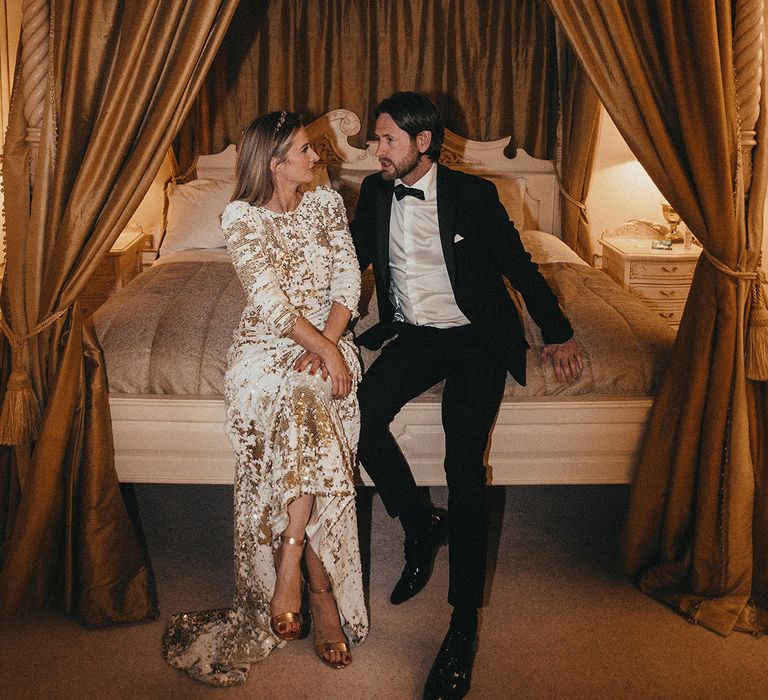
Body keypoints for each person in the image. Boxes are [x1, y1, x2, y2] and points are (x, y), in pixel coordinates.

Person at [350, 92, 584, 700]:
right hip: (415, 335)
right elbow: (350, 266)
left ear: (423, 143)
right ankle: (421, 522)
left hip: (477, 338)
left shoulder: (475, 197)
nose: (376, 151)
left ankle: (462, 625)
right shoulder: (375, 193)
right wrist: (321, 332)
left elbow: (520, 266)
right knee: (358, 420)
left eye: (386, 141)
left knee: (463, 467)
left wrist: (555, 332)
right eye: (377, 139)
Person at [163, 111, 368, 686]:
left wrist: (329, 345)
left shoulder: (327, 204)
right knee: (302, 394)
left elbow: (348, 279)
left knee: (307, 395)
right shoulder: (241, 218)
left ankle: (291, 564)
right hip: (264, 348)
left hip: (326, 338)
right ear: (275, 164)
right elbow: (272, 305)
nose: (315, 157)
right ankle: (316, 590)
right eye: (304, 150)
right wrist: (322, 352)